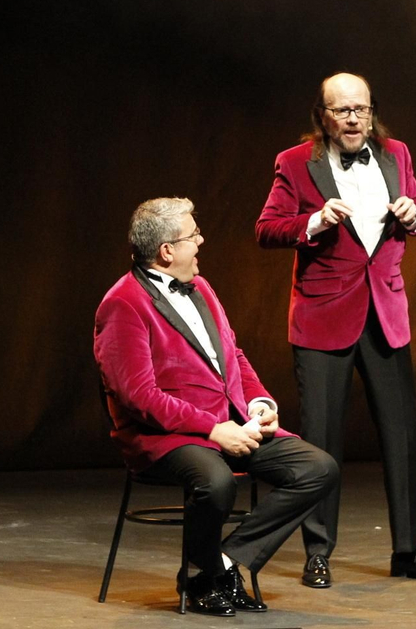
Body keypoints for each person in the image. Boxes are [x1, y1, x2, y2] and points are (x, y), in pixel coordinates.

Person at [255, 72, 416, 587]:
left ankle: (408, 550)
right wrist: (315, 221)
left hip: (385, 314)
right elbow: (267, 229)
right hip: (323, 315)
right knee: (321, 441)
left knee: (402, 437)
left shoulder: (397, 154)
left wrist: (415, 215)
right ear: (322, 116)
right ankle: (318, 552)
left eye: (361, 110)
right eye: (342, 110)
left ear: (372, 112)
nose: (353, 119)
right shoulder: (295, 162)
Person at [94, 197, 338, 617]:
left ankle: (219, 565)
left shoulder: (202, 286)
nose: (202, 240)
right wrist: (211, 429)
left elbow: (233, 356)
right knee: (217, 481)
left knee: (317, 468)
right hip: (166, 436)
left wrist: (259, 402)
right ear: (167, 250)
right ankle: (205, 576)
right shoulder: (122, 303)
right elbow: (138, 396)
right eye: (193, 235)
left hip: (231, 423)